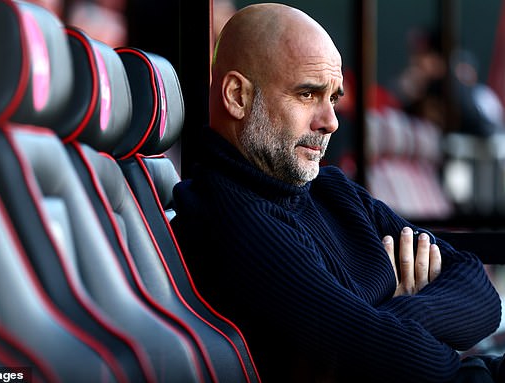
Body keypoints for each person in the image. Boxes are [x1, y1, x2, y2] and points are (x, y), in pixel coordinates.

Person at [171, 3, 504, 382]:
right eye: (308, 94)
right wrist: (408, 320)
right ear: (237, 96)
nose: (330, 121)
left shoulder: (331, 188)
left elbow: (481, 292)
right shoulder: (233, 221)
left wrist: (394, 313)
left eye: (333, 97)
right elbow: (421, 363)